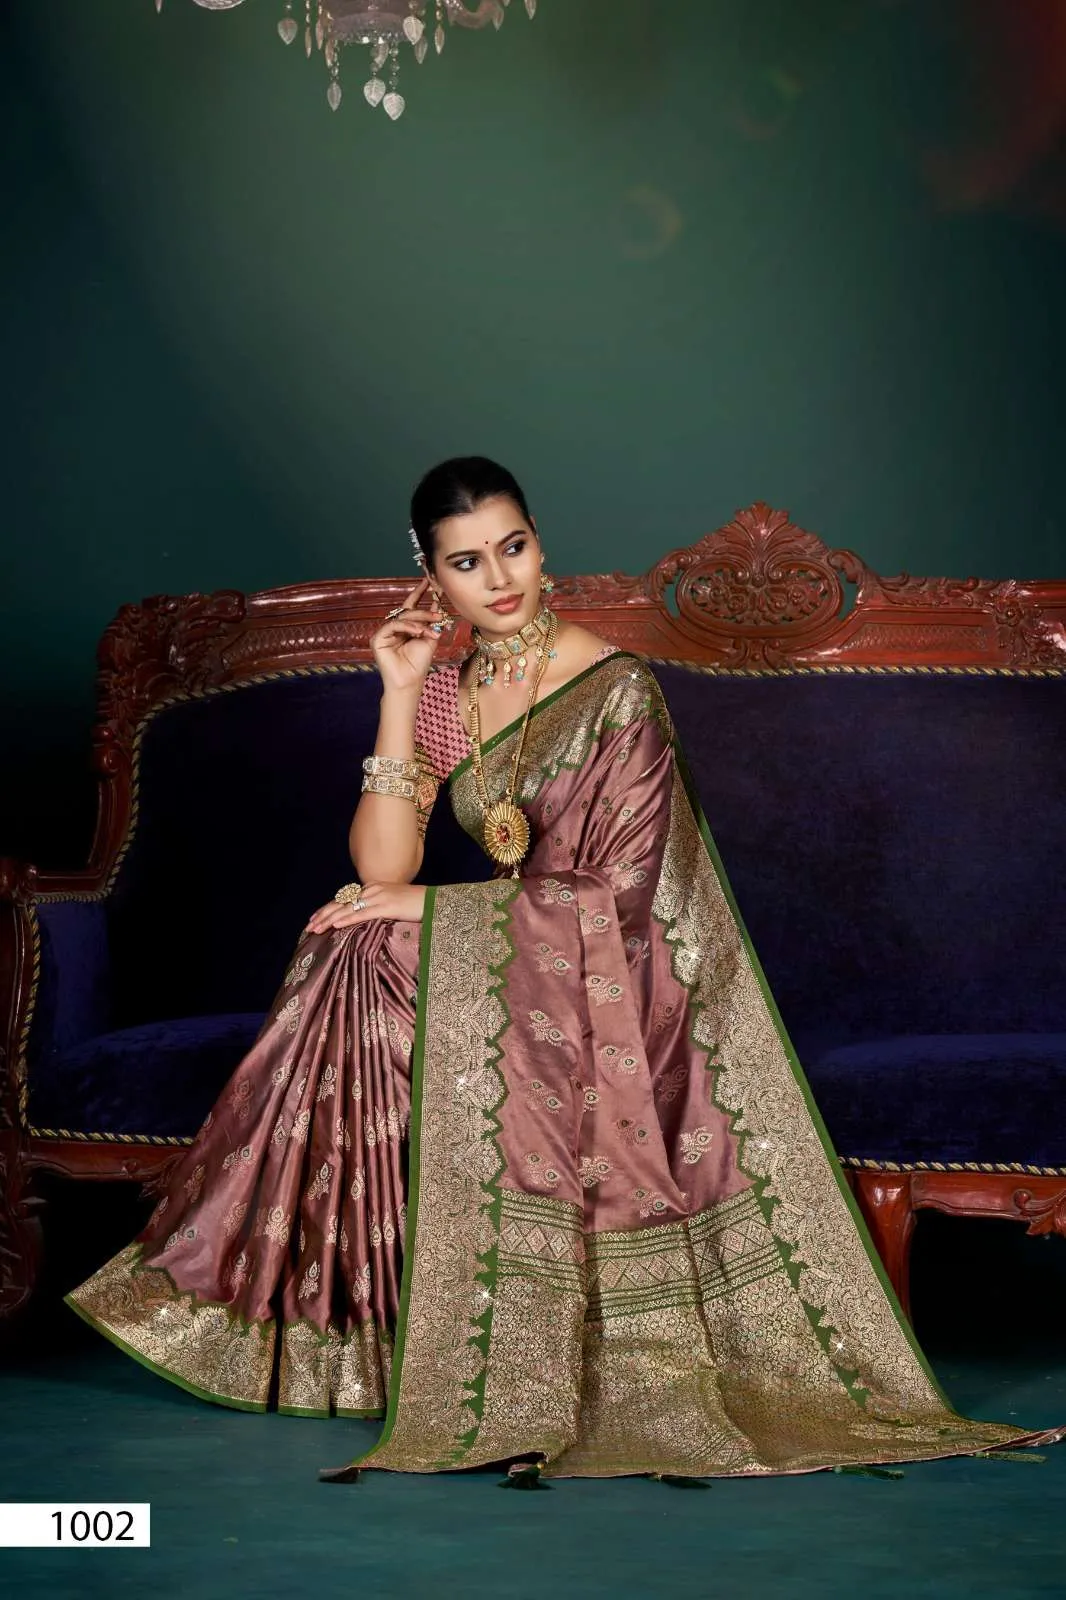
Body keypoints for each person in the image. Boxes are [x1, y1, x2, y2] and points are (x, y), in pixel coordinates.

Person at [67, 457, 1060, 1482]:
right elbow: (383, 866)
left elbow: (624, 897)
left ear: (540, 544)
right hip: (520, 951)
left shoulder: (614, 687)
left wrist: (422, 909)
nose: (498, 579)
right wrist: (399, 695)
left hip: (617, 975)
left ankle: (371, 1326)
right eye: (466, 562)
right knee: (349, 941)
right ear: (430, 576)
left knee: (371, 939)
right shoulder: (450, 692)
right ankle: (372, 1332)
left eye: (513, 547)